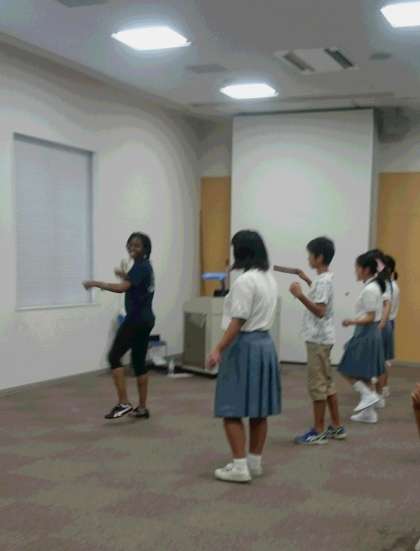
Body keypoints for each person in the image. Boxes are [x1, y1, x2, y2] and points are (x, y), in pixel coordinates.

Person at [207, 230, 281, 483]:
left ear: (241, 251)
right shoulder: (269, 278)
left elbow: (238, 320)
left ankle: (239, 467)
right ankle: (253, 463)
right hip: (265, 345)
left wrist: (218, 348)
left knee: (231, 407)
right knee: (259, 410)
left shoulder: (245, 281)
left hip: (244, 346)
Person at [83, 232, 155, 420]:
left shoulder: (140, 267)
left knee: (114, 357)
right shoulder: (145, 266)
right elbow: (135, 284)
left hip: (136, 320)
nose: (132, 248)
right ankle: (142, 408)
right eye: (130, 244)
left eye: (137, 245)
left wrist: (97, 283)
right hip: (146, 319)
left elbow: (122, 288)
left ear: (145, 249)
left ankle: (124, 403)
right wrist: (124, 275)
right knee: (139, 363)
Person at [289, 237, 346, 445]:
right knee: (327, 383)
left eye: (310, 255)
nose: (308, 259)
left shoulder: (323, 281)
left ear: (319, 257)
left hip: (318, 340)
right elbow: (320, 297)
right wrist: (306, 280)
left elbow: (320, 310)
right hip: (324, 338)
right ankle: (337, 426)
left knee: (318, 385)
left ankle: (318, 431)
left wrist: (299, 295)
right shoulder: (324, 279)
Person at [338, 252, 387, 424]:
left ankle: (368, 395)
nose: (355, 271)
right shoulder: (373, 287)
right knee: (365, 374)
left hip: (366, 332)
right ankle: (369, 413)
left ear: (366, 270)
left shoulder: (370, 289)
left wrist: (351, 321)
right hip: (369, 332)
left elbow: (370, 317)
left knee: (346, 369)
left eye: (357, 268)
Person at [382, 255, 400, 399]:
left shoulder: (390, 287)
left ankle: (383, 388)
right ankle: (383, 387)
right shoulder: (390, 285)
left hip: (385, 323)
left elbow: (385, 308)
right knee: (382, 359)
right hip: (388, 322)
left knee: (382, 359)